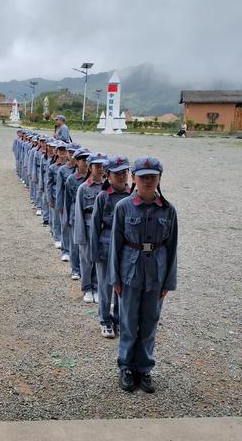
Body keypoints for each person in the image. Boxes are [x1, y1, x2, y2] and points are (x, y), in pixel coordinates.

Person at [108, 156, 178, 393]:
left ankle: (144, 368)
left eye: (153, 177)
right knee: (128, 322)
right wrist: (115, 278)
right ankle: (127, 367)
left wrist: (168, 281)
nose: (148, 181)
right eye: (143, 176)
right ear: (134, 178)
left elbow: (172, 247)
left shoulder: (168, 210)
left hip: (155, 276)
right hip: (129, 273)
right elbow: (115, 246)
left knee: (149, 323)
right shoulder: (123, 207)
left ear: (159, 179)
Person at [90, 155, 131, 339]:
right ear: (108, 175)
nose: (122, 176)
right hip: (106, 247)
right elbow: (95, 225)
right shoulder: (103, 197)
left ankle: (119, 319)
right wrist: (94, 252)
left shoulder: (132, 196)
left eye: (124, 172)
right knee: (105, 287)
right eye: (117, 173)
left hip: (126, 250)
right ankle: (105, 320)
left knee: (122, 287)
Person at [74, 152, 108, 303]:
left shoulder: (107, 187)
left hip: (102, 229)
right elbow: (79, 213)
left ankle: (97, 287)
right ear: (90, 167)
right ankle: (87, 288)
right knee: (86, 260)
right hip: (87, 228)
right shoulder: (83, 188)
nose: (100, 169)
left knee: (99, 260)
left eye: (102, 166)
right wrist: (80, 235)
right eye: (97, 166)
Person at [64, 147, 91, 280]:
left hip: (90, 217)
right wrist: (67, 218)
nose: (85, 163)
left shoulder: (95, 179)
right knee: (75, 244)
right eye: (83, 160)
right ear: (77, 162)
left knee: (89, 245)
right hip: (76, 215)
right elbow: (67, 201)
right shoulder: (71, 179)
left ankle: (89, 271)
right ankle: (75, 269)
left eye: (88, 160)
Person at [55, 144, 78, 262]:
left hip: (77, 203)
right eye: (70, 152)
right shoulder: (62, 170)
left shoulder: (82, 169)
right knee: (65, 225)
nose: (72, 155)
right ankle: (65, 250)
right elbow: (59, 190)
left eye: (74, 152)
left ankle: (74, 251)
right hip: (66, 200)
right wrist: (59, 206)